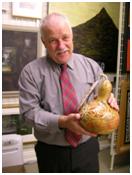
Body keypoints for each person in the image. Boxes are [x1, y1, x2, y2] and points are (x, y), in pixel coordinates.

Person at [19, 13, 119, 173]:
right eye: (53, 40)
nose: (61, 45)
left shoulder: (92, 66)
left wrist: (109, 100)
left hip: (88, 148)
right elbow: (28, 113)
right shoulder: (30, 72)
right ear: (44, 42)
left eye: (65, 37)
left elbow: (104, 95)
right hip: (51, 153)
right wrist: (63, 122)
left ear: (72, 36)